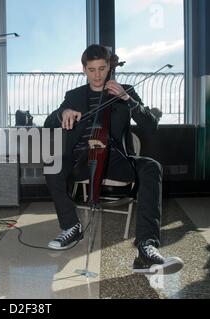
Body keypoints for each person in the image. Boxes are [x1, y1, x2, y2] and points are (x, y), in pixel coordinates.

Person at [44, 44, 183, 274]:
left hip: (114, 159)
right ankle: (71, 226)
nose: (97, 75)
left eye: (102, 68)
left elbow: (150, 125)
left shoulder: (125, 90)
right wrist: (63, 113)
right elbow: (49, 122)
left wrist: (127, 99)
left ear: (109, 66)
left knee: (151, 167)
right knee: (52, 165)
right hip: (80, 160)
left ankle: (146, 247)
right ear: (84, 69)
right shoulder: (74, 96)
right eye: (92, 70)